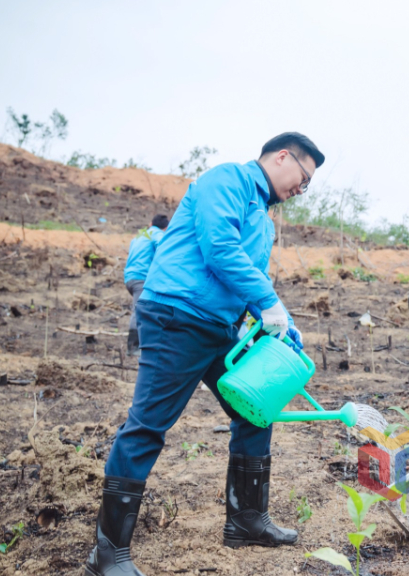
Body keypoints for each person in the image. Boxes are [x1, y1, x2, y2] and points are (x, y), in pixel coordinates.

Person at [85, 132, 323, 576]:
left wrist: (284, 321)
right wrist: (269, 302)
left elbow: (252, 276)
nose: (301, 190)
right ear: (282, 156)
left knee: (257, 409)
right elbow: (219, 248)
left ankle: (247, 520)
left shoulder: (265, 219)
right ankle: (107, 554)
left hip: (220, 326)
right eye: (303, 179)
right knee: (148, 425)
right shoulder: (228, 180)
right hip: (178, 314)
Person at [123, 214, 169, 355]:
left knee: (148, 309)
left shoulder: (139, 237)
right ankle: (132, 348)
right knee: (139, 311)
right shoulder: (157, 234)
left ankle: (144, 344)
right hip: (141, 278)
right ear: (165, 228)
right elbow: (164, 245)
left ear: (150, 223)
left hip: (129, 278)